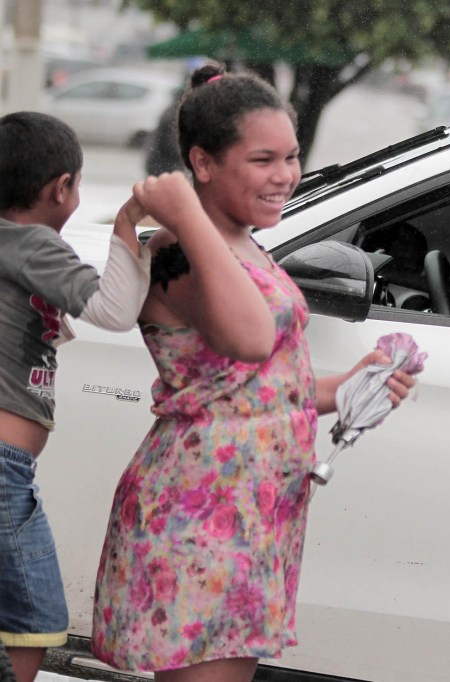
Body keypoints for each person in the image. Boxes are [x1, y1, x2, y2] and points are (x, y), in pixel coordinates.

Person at [90, 63, 416, 682]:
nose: (286, 176)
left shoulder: (239, 243)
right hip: (197, 509)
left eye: (291, 157)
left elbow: (258, 392)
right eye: (263, 159)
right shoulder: (179, 253)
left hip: (253, 507)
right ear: (203, 163)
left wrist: (353, 384)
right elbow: (250, 337)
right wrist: (186, 214)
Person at [0, 111, 152, 682]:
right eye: (79, 185)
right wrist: (127, 228)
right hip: (5, 470)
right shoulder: (35, 245)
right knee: (34, 617)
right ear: (61, 187)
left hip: (10, 469)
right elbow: (115, 311)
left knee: (24, 616)